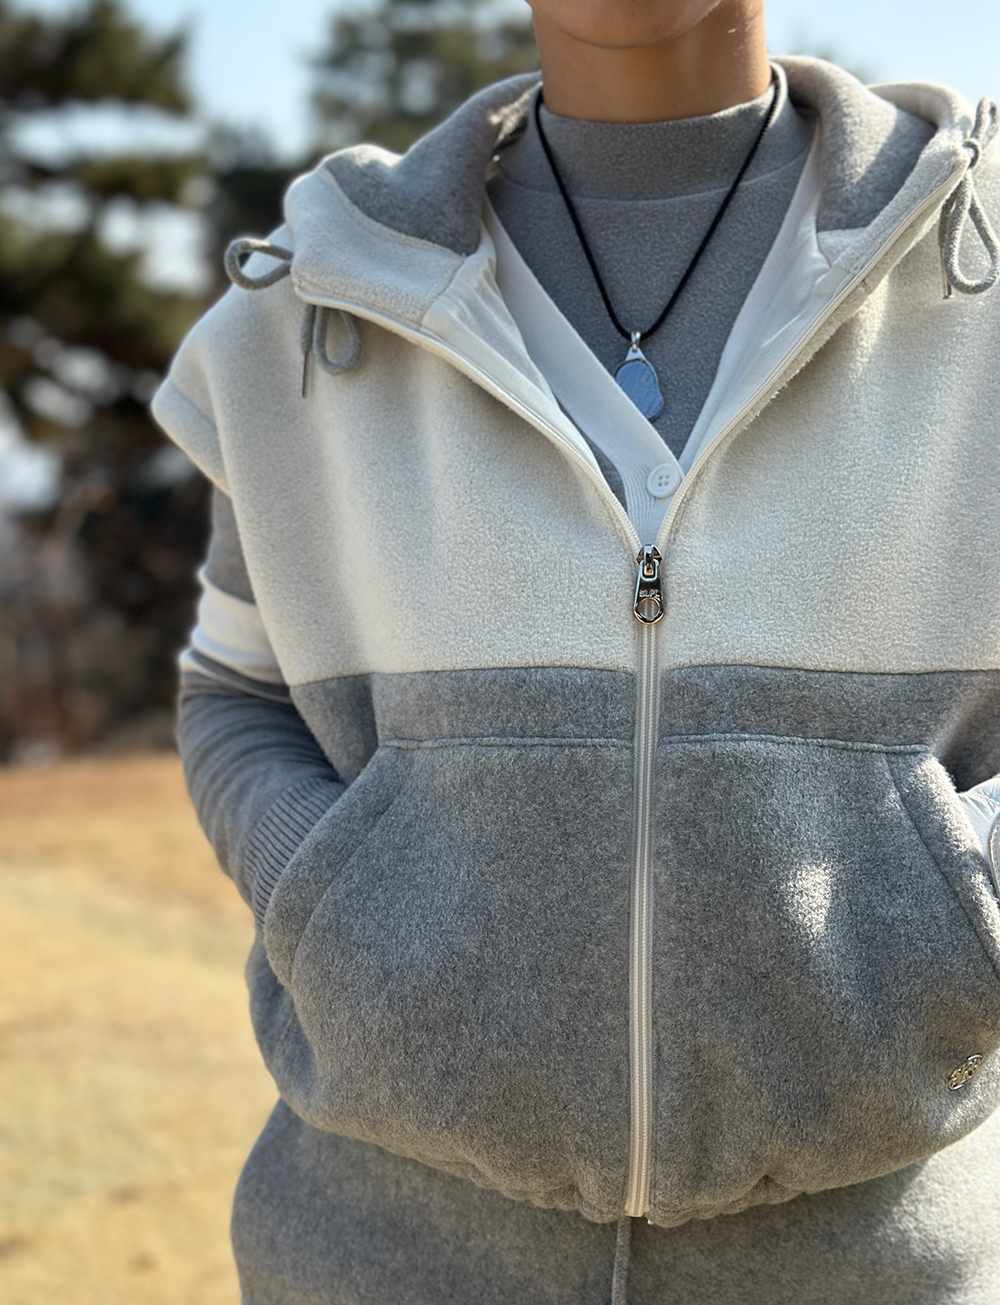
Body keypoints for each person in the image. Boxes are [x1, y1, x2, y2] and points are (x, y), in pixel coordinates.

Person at [153, 0, 1000, 1300]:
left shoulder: (975, 277)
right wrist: (331, 896)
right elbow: (236, 684)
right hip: (375, 1261)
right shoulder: (308, 300)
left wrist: (970, 909)